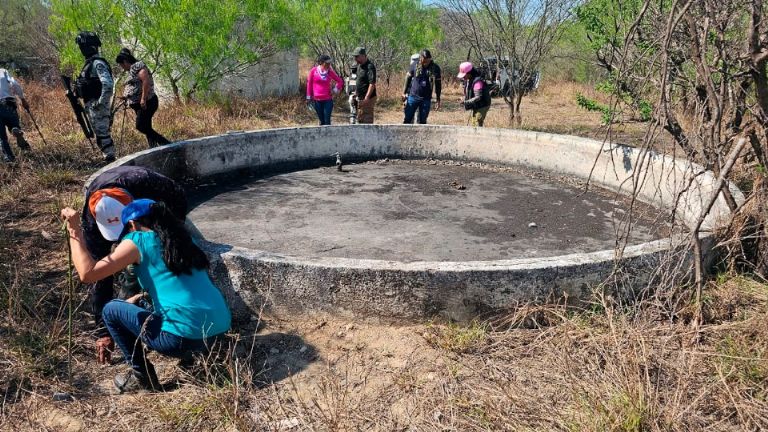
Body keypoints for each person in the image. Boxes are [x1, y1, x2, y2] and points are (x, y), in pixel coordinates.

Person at [61, 199, 231, 392]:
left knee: (111, 310)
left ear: (133, 224)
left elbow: (88, 274)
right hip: (219, 332)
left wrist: (75, 230)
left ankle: (142, 378)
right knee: (140, 303)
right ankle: (196, 356)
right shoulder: (183, 240)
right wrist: (138, 299)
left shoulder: (138, 241)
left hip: (181, 340)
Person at [81, 165, 188, 365]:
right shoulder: (90, 220)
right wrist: (103, 331)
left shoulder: (146, 182)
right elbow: (96, 276)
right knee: (126, 280)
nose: (122, 238)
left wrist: (171, 239)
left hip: (155, 210)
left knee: (150, 268)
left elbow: (179, 202)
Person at [115, 48, 170, 148]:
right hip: (140, 104)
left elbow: (145, 81)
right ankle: (153, 147)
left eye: (121, 65)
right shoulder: (132, 70)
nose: (122, 67)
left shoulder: (138, 66)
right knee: (147, 127)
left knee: (140, 126)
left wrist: (143, 99)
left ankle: (165, 143)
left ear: (125, 61)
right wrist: (127, 96)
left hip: (147, 102)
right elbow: (136, 85)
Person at [74, 31, 116, 162]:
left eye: (83, 47)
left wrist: (101, 103)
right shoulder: (89, 64)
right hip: (92, 105)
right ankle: (108, 160)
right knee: (100, 135)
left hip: (97, 105)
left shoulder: (97, 63)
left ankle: (111, 162)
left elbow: (108, 84)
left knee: (103, 136)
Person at [402, 49, 442, 125]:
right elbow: (408, 78)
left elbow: (438, 84)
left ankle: (421, 136)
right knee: (407, 119)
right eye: (424, 60)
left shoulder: (435, 68)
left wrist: (438, 99)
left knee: (423, 121)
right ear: (421, 58)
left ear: (430, 58)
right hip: (413, 96)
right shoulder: (414, 64)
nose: (426, 62)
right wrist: (404, 93)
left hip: (426, 98)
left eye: (428, 60)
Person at [0, 68, 32, 163]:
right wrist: (22, 99)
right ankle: (15, 129)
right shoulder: (3, 71)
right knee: (13, 124)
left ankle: (9, 157)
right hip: (8, 102)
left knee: (2, 137)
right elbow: (15, 84)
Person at [306, 54, 344, 126]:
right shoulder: (313, 71)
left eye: (330, 63)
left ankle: (329, 136)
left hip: (327, 100)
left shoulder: (330, 72)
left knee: (327, 121)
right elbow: (309, 84)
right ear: (321, 62)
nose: (329, 65)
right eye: (327, 63)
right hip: (317, 100)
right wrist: (308, 97)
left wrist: (335, 90)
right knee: (321, 120)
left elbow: (340, 81)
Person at [457, 61, 491, 127]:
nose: (463, 77)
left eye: (464, 75)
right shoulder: (469, 80)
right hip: (477, 104)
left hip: (483, 105)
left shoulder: (477, 82)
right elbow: (470, 93)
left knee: (477, 122)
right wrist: (464, 98)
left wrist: (466, 102)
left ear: (469, 73)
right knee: (474, 123)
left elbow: (478, 97)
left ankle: (479, 136)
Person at [352, 47, 377, 124]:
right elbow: (359, 80)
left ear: (363, 56)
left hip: (367, 99)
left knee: (367, 120)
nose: (355, 59)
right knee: (360, 118)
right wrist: (356, 92)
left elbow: (372, 83)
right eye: (355, 57)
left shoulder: (370, 67)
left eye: (357, 56)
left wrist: (367, 98)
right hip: (360, 98)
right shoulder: (359, 66)